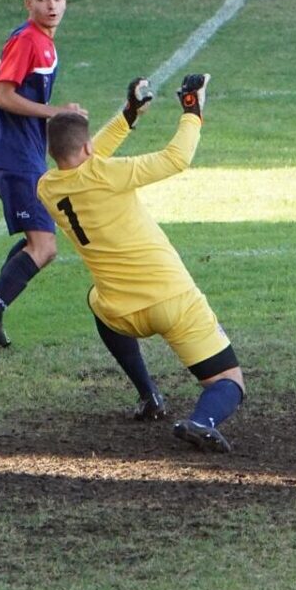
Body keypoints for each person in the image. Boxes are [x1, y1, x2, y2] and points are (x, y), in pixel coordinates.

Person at [38, 74, 243, 454]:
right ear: (86, 147)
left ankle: (149, 394)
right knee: (228, 380)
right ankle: (202, 420)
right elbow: (176, 158)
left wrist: (129, 115)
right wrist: (192, 111)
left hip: (121, 312)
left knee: (96, 301)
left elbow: (86, 156)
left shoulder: (47, 188)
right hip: (172, 301)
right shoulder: (108, 173)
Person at [0, 0, 85, 365]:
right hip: (12, 158)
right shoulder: (27, 39)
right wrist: (55, 112)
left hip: (25, 157)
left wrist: (64, 115)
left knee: (41, 243)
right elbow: (1, 95)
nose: (51, 5)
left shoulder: (46, 44)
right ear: (28, 4)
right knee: (43, 247)